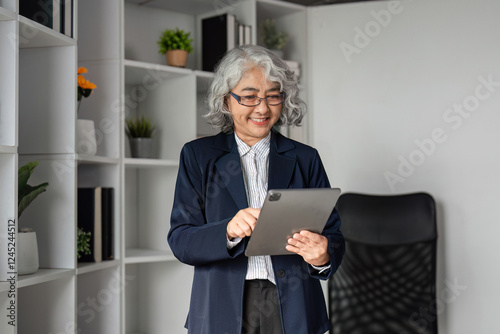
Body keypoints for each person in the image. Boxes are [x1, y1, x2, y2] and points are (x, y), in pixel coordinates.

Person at [168, 44, 345, 334]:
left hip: (295, 305)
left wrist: (323, 255)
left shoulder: (305, 158)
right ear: (227, 101)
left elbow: (334, 235)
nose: (262, 108)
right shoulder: (198, 156)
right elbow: (181, 241)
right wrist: (227, 230)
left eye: (273, 97)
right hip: (222, 307)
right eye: (249, 97)